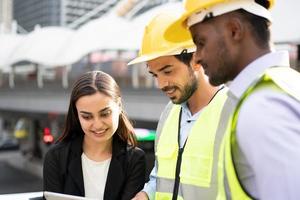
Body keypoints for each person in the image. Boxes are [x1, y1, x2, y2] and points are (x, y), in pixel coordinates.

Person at [165, 0, 300, 199]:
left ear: (234, 30)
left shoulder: (262, 109)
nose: (197, 57)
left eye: (201, 42)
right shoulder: (286, 84)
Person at [128, 12, 228, 200]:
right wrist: (146, 195)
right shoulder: (169, 113)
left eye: (167, 71)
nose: (161, 84)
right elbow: (163, 175)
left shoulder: (232, 113)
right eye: (155, 75)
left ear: (196, 60)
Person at [43, 71, 146, 200]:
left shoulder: (134, 160)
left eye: (105, 113)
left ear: (119, 106)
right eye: (87, 117)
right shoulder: (56, 157)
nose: (97, 125)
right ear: (77, 115)